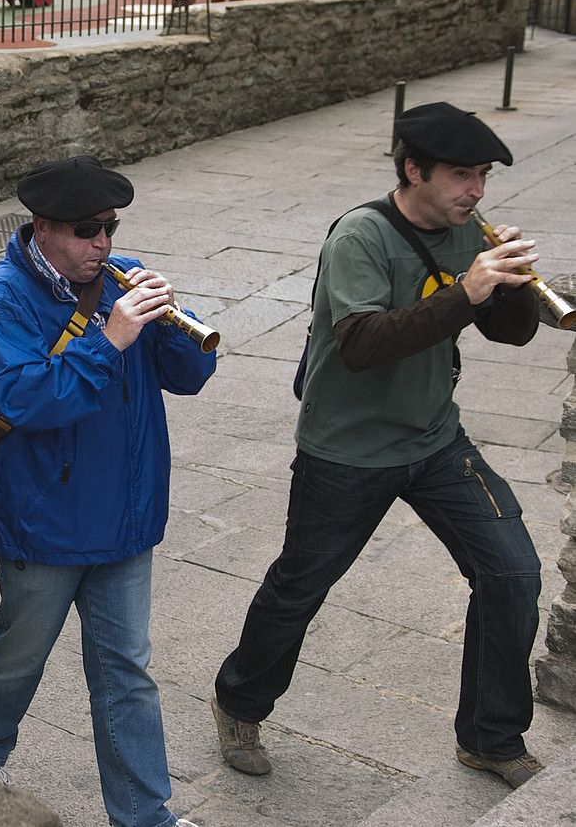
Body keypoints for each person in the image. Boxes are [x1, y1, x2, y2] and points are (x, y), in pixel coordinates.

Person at [211, 102, 546, 790]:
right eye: (460, 175)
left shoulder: (466, 234)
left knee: (511, 571)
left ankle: (489, 736)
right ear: (412, 168)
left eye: (481, 176)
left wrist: (506, 284)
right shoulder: (359, 237)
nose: (475, 192)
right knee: (299, 587)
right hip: (345, 450)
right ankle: (239, 702)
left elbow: (508, 335)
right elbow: (362, 344)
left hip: (433, 439)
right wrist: (465, 289)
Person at [0, 156, 211, 827]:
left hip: (124, 517)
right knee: (17, 659)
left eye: (109, 227)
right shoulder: (2, 298)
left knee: (125, 674)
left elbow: (187, 378)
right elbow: (20, 398)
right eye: (84, 230)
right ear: (42, 228)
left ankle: (143, 815)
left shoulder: (115, 274)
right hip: (45, 524)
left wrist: (172, 322)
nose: (101, 243)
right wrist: (112, 337)